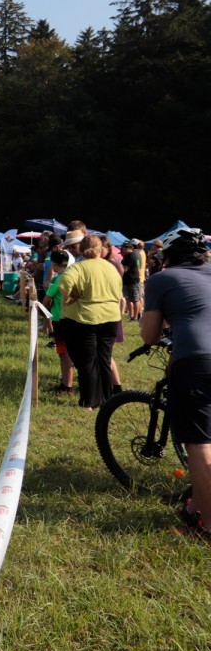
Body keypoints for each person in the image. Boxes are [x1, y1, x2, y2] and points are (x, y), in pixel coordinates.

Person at [140, 227, 211, 541]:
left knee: (199, 444)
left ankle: (207, 528)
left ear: (167, 256)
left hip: (197, 361)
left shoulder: (162, 279)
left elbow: (149, 335)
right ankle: (196, 504)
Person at [58, 235, 123, 409]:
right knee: (104, 359)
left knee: (87, 361)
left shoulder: (78, 267)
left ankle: (90, 401)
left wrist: (69, 299)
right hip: (110, 318)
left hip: (84, 318)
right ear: (100, 249)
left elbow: (63, 283)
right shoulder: (111, 267)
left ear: (82, 248)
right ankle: (107, 399)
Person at [44, 251, 75, 394]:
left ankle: (66, 385)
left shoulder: (58, 279)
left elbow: (46, 300)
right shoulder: (72, 275)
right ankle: (67, 382)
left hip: (59, 319)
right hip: (73, 318)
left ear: (54, 264)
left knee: (64, 354)